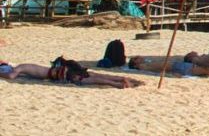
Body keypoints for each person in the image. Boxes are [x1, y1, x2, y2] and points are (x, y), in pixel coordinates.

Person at [1, 57, 140, 88]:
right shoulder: (25, 66)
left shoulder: (20, 67)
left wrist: (1, 74)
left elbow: (11, 76)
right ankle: (123, 79)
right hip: (64, 69)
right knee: (93, 75)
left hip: (60, 74)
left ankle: (117, 84)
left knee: (90, 79)